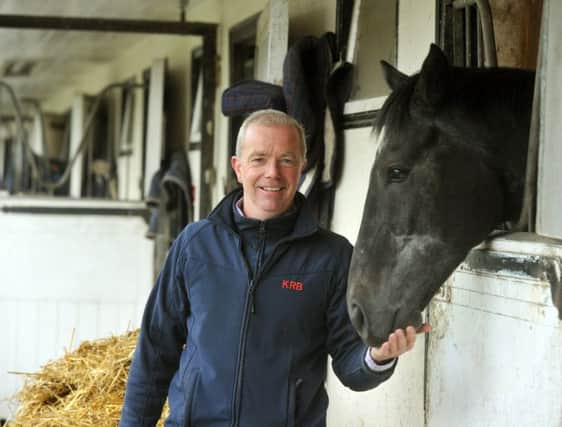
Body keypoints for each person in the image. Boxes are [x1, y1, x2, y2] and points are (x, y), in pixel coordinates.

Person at [120, 109, 430, 427]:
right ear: (238, 168)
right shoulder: (194, 245)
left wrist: (377, 356)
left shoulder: (332, 256)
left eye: (286, 160)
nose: (273, 173)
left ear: (301, 168)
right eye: (258, 159)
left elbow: (351, 366)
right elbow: (155, 352)